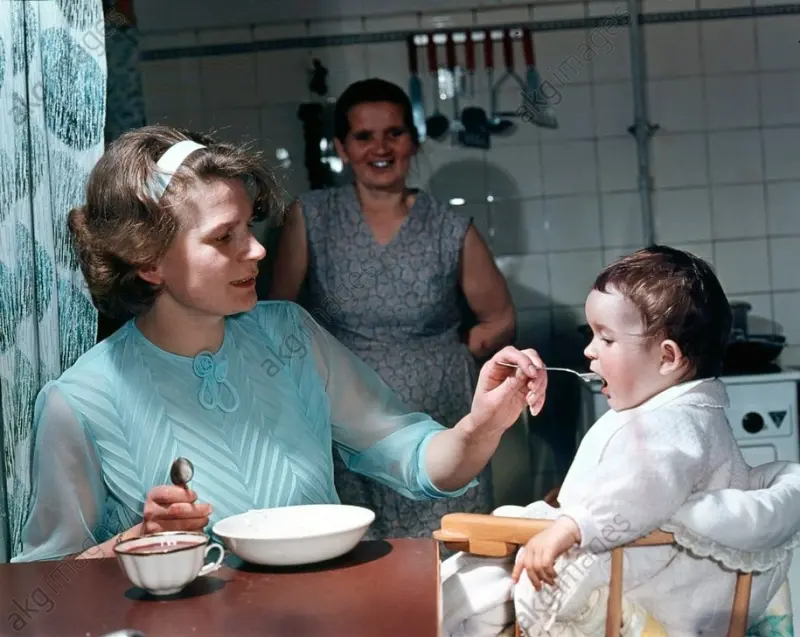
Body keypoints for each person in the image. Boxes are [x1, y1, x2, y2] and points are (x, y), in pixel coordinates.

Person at [11, 125, 547, 563]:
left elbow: (413, 456)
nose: (257, 251)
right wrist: (136, 543)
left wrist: (482, 426)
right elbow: (42, 586)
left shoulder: (289, 334)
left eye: (250, 226)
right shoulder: (78, 402)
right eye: (225, 237)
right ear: (148, 261)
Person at [441, 246, 799, 636]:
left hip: (643, 592)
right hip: (635, 569)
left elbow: (645, 482)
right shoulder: (680, 414)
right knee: (475, 569)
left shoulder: (677, 423)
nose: (588, 350)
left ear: (667, 358)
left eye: (605, 339)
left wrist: (573, 525)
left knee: (470, 589)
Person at [268, 78, 516, 540]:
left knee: (451, 553)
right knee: (359, 558)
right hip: (346, 422)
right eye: (363, 136)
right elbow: (275, 318)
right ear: (342, 147)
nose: (380, 148)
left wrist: (452, 354)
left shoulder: (449, 226)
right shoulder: (311, 217)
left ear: (413, 141)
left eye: (394, 133)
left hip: (439, 413)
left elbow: (499, 318)